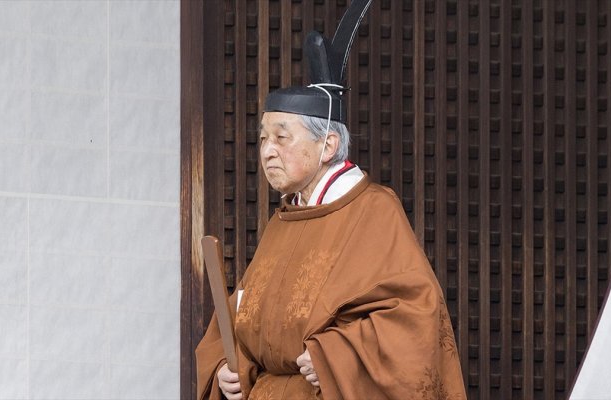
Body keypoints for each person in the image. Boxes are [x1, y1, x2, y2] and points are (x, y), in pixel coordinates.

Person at [195, 1, 466, 399]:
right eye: (263, 138)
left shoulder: (373, 210)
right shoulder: (287, 219)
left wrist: (332, 356)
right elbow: (240, 314)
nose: (268, 151)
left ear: (328, 145)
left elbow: (414, 319)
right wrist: (225, 366)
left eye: (282, 137)